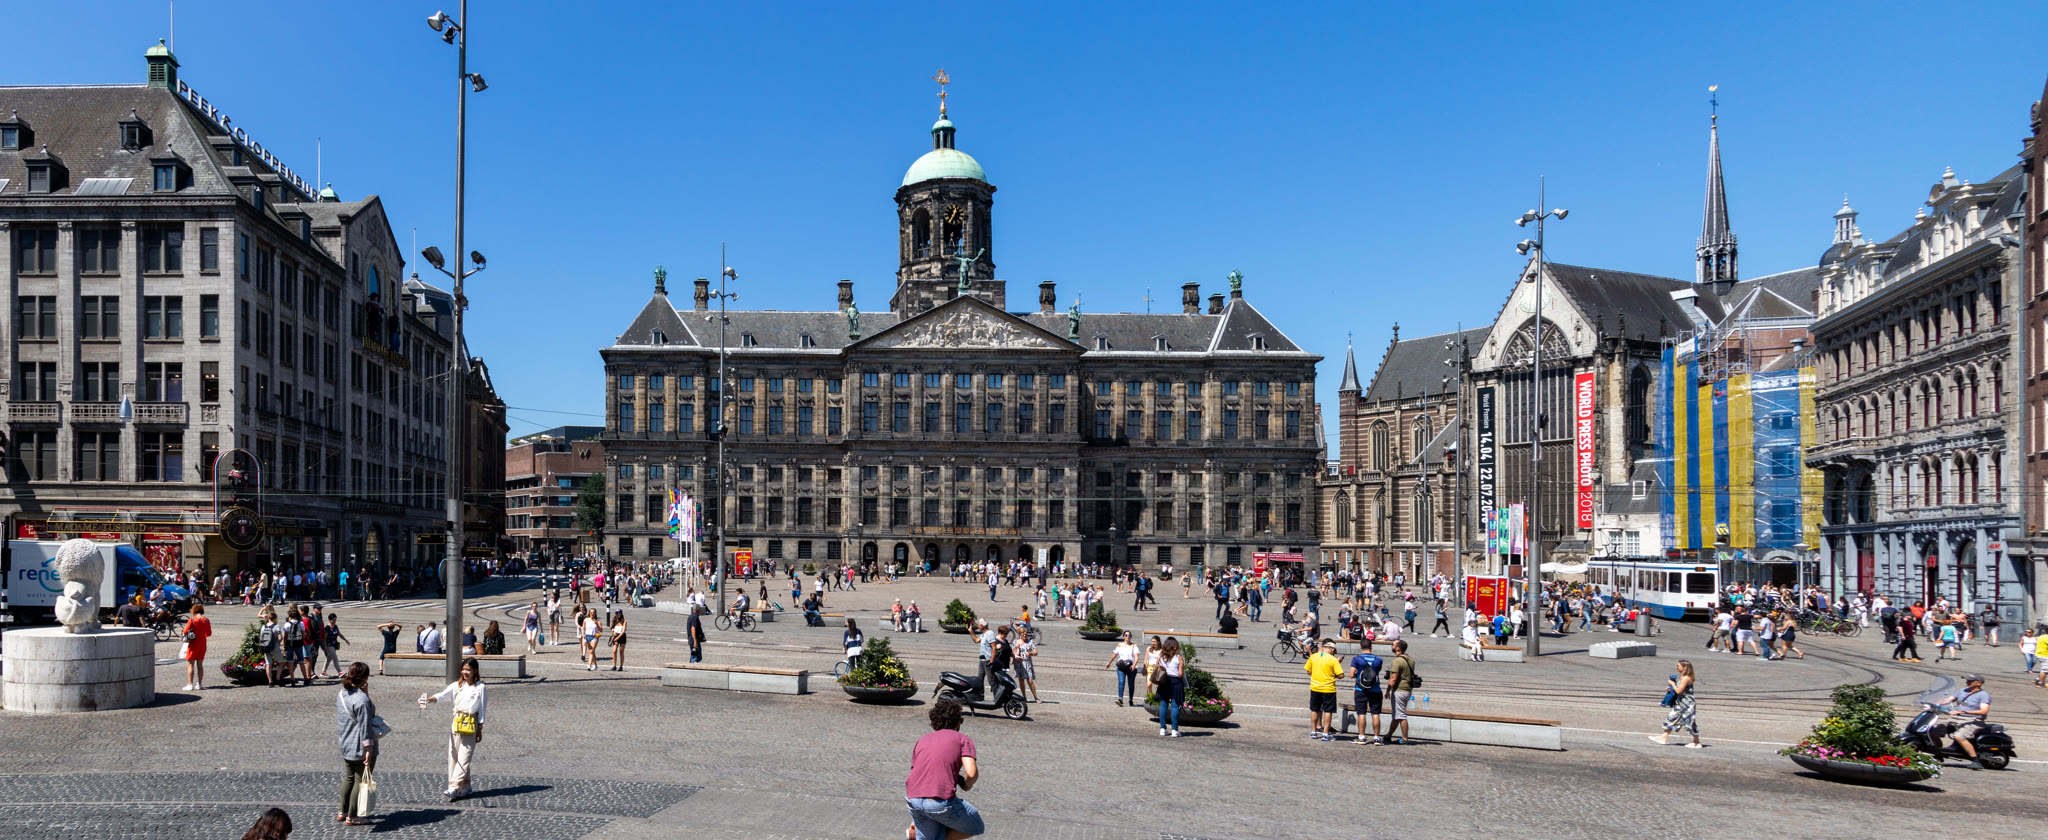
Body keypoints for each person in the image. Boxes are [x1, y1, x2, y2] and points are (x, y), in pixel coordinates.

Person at [904, 697, 984, 840]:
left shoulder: (922, 740)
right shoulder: (962, 739)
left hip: (913, 799)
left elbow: (920, 772)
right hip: (939, 802)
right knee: (976, 825)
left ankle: (918, 831)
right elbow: (971, 774)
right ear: (958, 722)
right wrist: (967, 785)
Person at [420, 657, 488, 800]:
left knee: (464, 757)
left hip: (471, 724)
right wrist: (428, 700)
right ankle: (466, 787)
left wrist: (480, 729)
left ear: (475, 671)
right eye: (463, 669)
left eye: (468, 670)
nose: (465, 672)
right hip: (456, 723)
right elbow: (441, 696)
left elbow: (482, 710)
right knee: (454, 756)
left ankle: (454, 786)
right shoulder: (457, 686)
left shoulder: (480, 688)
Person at [336, 662, 381, 825]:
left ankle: (343, 811)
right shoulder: (362, 700)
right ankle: (353, 816)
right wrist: (368, 748)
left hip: (346, 742)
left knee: (349, 777)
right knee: (360, 780)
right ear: (364, 678)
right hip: (359, 744)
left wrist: (365, 692)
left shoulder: (342, 694)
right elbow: (366, 724)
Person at [1935, 675, 1992, 770]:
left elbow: (1984, 711)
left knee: (1959, 736)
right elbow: (1948, 700)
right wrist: (1934, 703)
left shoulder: (1983, 695)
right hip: (1957, 718)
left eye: (1970, 681)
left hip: (1974, 720)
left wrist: (1963, 712)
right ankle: (1938, 754)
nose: (1967, 682)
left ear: (1979, 683)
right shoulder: (1962, 691)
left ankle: (1976, 761)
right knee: (1934, 732)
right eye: (1967, 680)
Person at [1649, 659, 1701, 747]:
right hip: (1680, 702)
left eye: (1678, 666)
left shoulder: (1686, 678)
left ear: (1684, 667)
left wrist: (1673, 684)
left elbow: (1679, 691)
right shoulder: (1682, 677)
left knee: (1690, 722)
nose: (1677, 667)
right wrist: (1671, 688)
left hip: (1687, 703)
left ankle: (1696, 742)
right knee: (1672, 717)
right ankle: (1663, 737)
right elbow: (1679, 689)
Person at [1304, 638, 1344, 741]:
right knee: (1328, 711)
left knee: (1314, 709)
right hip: (1328, 689)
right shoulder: (1333, 660)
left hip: (1315, 687)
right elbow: (1341, 675)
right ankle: (1325, 733)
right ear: (1332, 649)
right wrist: (1332, 674)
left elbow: (1309, 671)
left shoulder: (1314, 657)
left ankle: (1313, 731)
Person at [1347, 639, 1386, 744]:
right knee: (1375, 714)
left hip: (1361, 689)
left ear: (1360, 647)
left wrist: (1359, 676)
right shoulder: (1379, 660)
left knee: (1361, 713)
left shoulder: (1356, 659)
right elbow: (1376, 673)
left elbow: (1351, 675)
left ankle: (1361, 737)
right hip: (1375, 689)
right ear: (1371, 647)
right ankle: (1376, 738)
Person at [1382, 639, 1418, 745]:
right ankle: (1389, 735)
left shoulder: (1397, 661)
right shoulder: (1411, 660)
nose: (1392, 646)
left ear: (1398, 648)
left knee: (1401, 715)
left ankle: (1404, 738)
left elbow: (1393, 678)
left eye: (1393, 645)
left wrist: (1388, 691)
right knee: (1397, 714)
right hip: (1408, 690)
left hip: (1399, 690)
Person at [177, 604, 213, 691]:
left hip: (193, 643)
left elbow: (184, 631)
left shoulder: (192, 620)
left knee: (190, 664)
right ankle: (200, 684)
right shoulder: (206, 620)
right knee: (200, 665)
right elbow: (209, 633)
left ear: (194, 611)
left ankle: (190, 684)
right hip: (202, 644)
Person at [1156, 637, 1187, 737]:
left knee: (1163, 704)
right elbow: (1181, 674)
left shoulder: (1160, 657)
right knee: (1175, 705)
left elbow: (1157, 669)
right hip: (1176, 681)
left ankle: (1162, 728)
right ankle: (1174, 729)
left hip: (1164, 680)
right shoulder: (1179, 658)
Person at [1105, 631, 1140, 706]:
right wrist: (1109, 662)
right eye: (1126, 635)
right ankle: (1120, 698)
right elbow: (1115, 654)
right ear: (1123, 636)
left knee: (1131, 684)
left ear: (1131, 636)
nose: (1128, 636)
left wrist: (1134, 665)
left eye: (1129, 635)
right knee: (1121, 681)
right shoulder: (1120, 645)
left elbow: (1136, 657)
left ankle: (1130, 699)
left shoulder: (1134, 646)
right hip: (1121, 666)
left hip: (1131, 667)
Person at [1012, 624, 1041, 703]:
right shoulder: (1016, 642)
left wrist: (1032, 653)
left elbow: (1036, 652)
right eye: (1023, 634)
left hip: (1028, 664)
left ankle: (1036, 697)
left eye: (1026, 634)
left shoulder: (1030, 642)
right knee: (1021, 680)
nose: (1025, 636)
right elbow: (1012, 653)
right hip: (1019, 664)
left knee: (1030, 681)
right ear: (1020, 634)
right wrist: (1016, 647)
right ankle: (1024, 696)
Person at [320, 613, 348, 678]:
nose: (334, 621)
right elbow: (324, 638)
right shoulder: (327, 628)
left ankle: (323, 672)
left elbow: (339, 634)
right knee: (335, 658)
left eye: (335, 620)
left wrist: (345, 640)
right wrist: (325, 647)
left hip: (334, 645)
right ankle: (340, 672)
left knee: (329, 658)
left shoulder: (335, 626)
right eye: (333, 620)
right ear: (329, 620)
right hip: (329, 645)